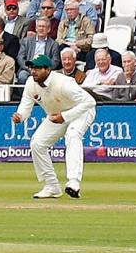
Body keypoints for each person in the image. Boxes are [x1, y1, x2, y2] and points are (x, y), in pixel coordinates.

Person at [14, 48, 99, 200]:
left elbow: (90, 102)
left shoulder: (64, 83)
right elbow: (25, 105)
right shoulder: (30, 83)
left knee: (73, 134)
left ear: (48, 69)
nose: (33, 71)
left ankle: (73, 182)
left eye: (37, 68)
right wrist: (20, 116)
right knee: (37, 143)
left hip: (81, 111)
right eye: (32, 68)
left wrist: (65, 116)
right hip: (57, 115)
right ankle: (52, 186)